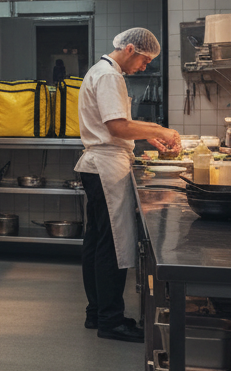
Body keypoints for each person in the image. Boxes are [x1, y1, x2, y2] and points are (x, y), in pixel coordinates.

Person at [75, 27, 180, 342]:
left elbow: (118, 124)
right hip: (106, 167)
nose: (145, 67)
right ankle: (111, 320)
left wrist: (146, 133)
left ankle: (96, 313)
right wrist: (162, 130)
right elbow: (117, 126)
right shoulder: (110, 76)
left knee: (96, 241)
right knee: (113, 243)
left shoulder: (102, 71)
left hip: (98, 166)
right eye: (145, 60)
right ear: (131, 49)